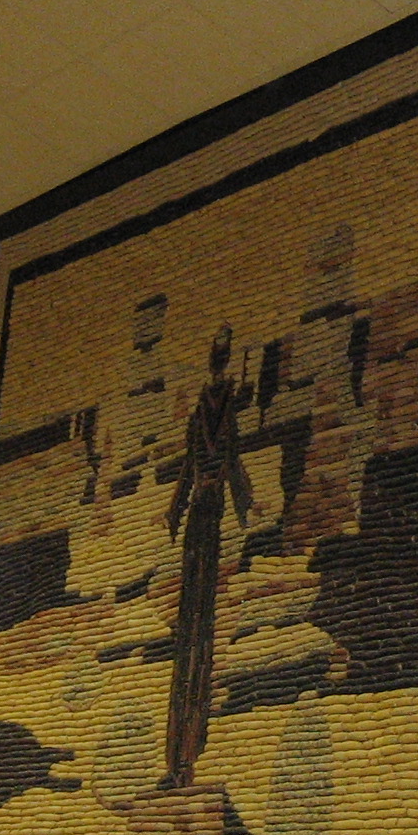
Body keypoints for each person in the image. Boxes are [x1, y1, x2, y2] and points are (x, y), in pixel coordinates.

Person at [163, 323, 258, 789]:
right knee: (190, 632)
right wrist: (174, 510)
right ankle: (177, 759)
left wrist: (245, 504)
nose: (218, 369)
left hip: (211, 514)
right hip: (201, 518)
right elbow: (191, 464)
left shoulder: (226, 411)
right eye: (217, 360)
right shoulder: (202, 412)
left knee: (199, 634)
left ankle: (187, 756)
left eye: (221, 360)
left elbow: (232, 460)